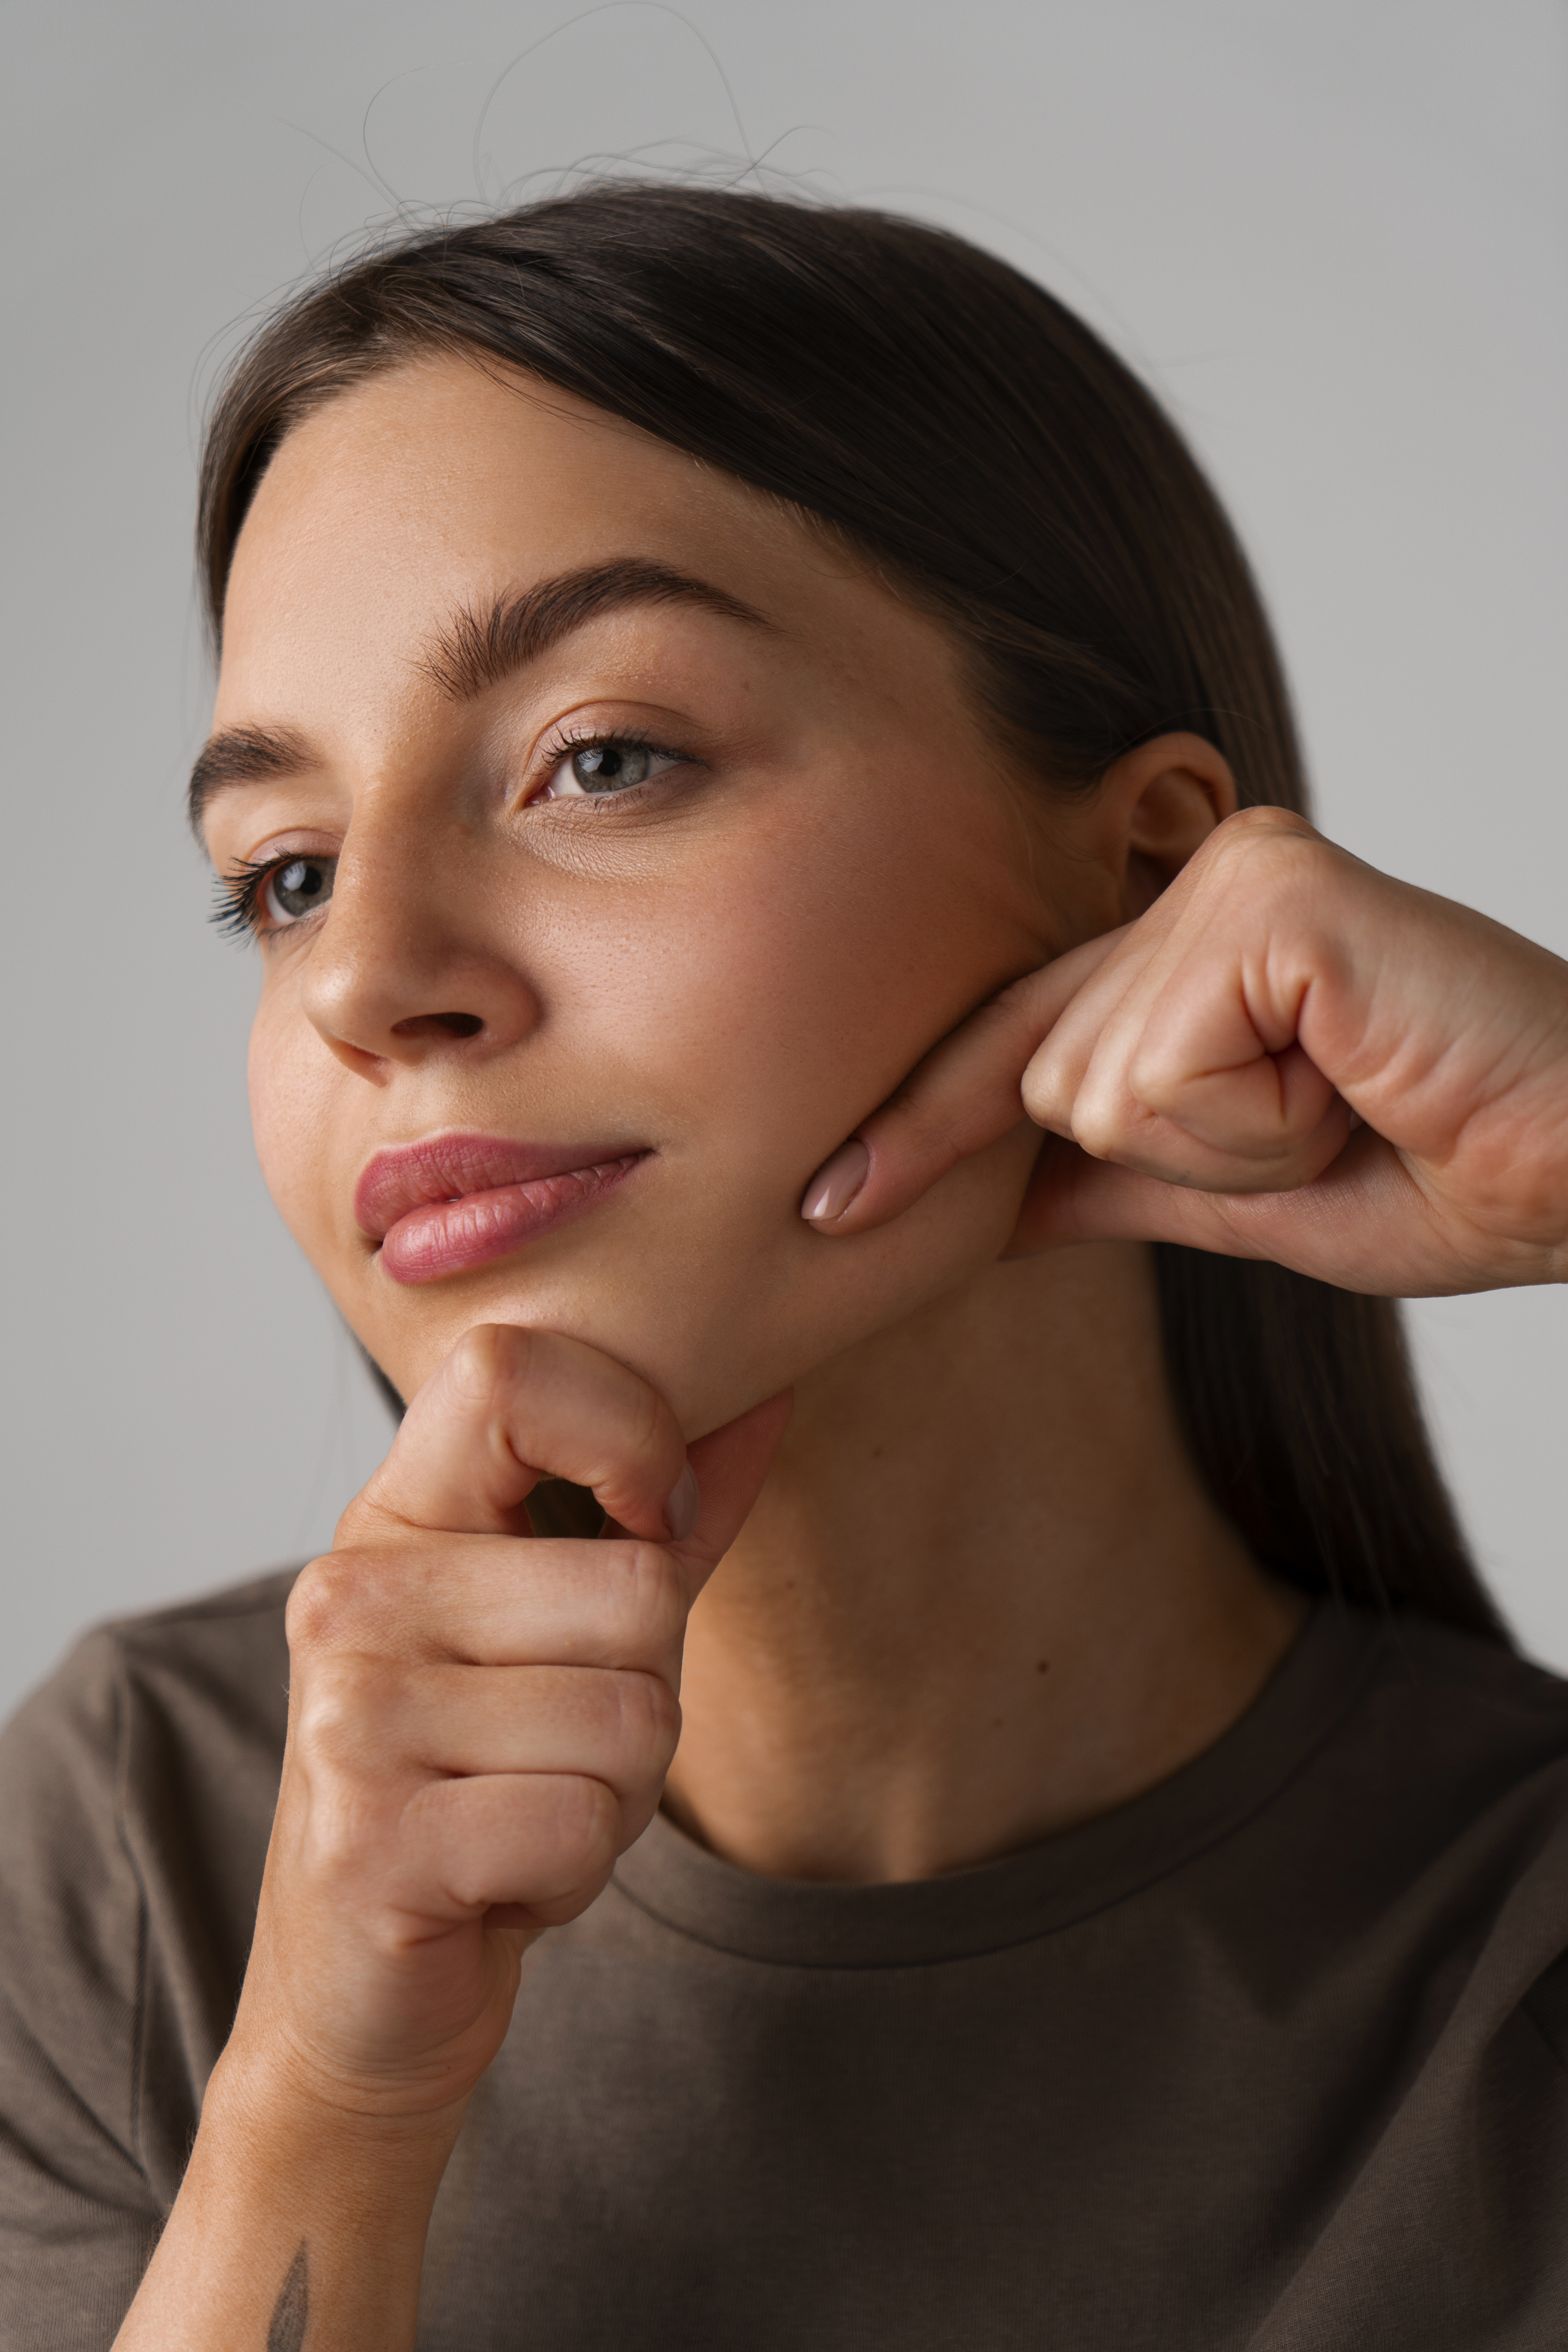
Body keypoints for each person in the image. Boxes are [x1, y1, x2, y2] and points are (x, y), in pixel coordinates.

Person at [1, 184, 1565, 2352]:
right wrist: (319, 2109)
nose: (364, 976)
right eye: (277, 875)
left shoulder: (1522, 1971)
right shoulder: (131, 1858)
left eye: (602, 758)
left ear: (1137, 876)